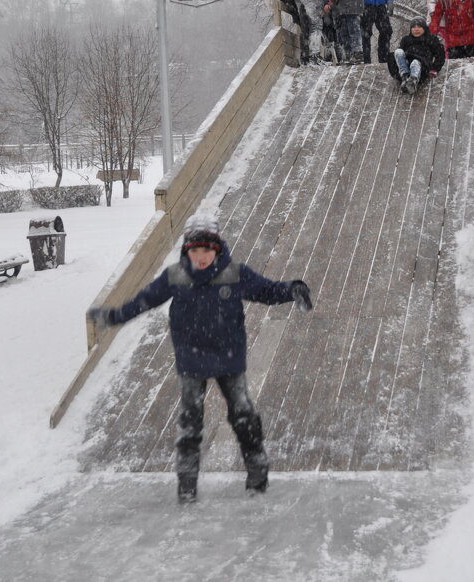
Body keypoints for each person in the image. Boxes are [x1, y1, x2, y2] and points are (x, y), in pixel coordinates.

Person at [88, 213, 314, 502]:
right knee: (190, 421)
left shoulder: (233, 273)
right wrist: (115, 315)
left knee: (243, 414)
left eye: (207, 250)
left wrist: (292, 289)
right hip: (191, 359)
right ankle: (187, 484)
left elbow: (267, 290)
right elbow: (144, 300)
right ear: (187, 250)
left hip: (228, 357)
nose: (201, 256)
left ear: (217, 248)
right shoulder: (176, 277)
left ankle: (257, 471)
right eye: (195, 250)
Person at [389, 19, 445, 94]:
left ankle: (413, 81)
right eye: (414, 27)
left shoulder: (431, 39)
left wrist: (434, 69)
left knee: (415, 62)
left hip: (422, 65)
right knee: (398, 52)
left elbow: (440, 55)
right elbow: (400, 57)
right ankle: (404, 76)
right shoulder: (406, 39)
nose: (416, 29)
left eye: (419, 27)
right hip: (407, 64)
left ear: (424, 28)